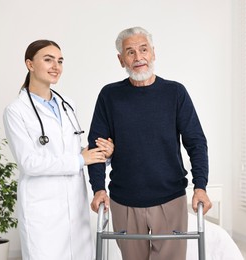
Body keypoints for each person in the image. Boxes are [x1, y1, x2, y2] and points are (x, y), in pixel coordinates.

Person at [88, 26, 212, 260]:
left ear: (153, 53)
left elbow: (196, 142)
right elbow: (97, 147)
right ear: (121, 59)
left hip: (170, 199)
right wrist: (98, 188)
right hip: (124, 201)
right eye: (130, 52)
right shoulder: (109, 96)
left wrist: (200, 187)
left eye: (143, 49)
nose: (138, 57)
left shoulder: (175, 93)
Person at [3, 39, 114, 260]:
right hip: (42, 210)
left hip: (75, 205)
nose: (56, 66)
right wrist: (80, 160)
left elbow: (74, 150)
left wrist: (104, 153)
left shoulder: (67, 104)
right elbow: (29, 162)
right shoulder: (16, 111)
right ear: (30, 64)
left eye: (60, 61)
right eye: (48, 59)